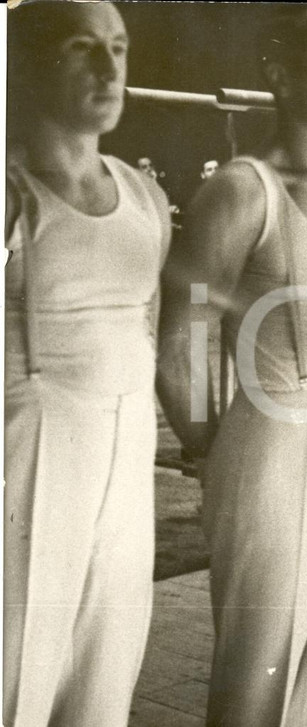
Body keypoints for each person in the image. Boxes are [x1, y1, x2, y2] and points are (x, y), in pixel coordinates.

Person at [156, 7, 307, 725]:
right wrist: (208, 447)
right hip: (273, 444)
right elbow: (175, 345)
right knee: (260, 668)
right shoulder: (242, 190)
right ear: (280, 76)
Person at [4, 4, 171, 725]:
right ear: (31, 63)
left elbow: (150, 325)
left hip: (127, 449)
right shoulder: (12, 194)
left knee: (105, 670)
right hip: (33, 449)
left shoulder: (143, 194)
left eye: (119, 47)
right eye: (84, 48)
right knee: (18, 667)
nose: (110, 69)